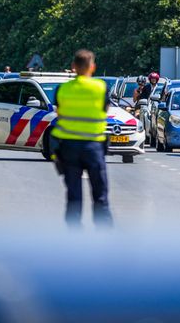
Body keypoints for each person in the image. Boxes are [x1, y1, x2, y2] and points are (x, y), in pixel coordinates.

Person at [51, 49, 113, 228]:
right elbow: (105, 110)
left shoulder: (62, 89)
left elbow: (59, 113)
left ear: (73, 67)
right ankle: (104, 234)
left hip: (68, 147)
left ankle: (74, 236)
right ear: (92, 67)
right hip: (94, 146)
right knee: (100, 195)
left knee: (73, 196)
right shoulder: (100, 87)